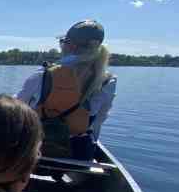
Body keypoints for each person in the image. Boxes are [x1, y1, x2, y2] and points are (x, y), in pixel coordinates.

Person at [16, 20, 116, 161]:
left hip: (37, 149)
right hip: (80, 153)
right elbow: (99, 121)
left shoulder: (44, 73)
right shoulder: (108, 80)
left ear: (71, 45)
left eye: (63, 41)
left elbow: (16, 108)